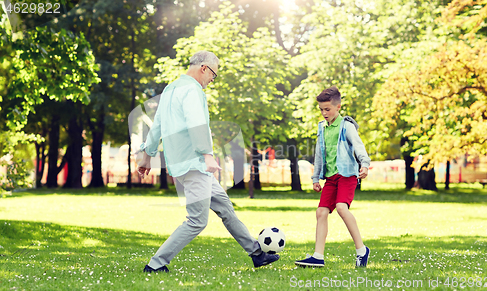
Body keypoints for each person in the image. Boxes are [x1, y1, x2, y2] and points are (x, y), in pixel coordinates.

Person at [136, 51, 279, 273]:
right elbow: (196, 123)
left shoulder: (171, 88)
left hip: (186, 163)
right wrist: (207, 154)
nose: (213, 80)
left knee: (225, 209)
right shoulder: (192, 89)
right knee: (197, 221)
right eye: (213, 74)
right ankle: (156, 264)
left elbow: (157, 126)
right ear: (204, 68)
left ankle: (256, 254)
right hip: (194, 163)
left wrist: (147, 155)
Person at [295, 86, 371, 268]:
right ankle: (318, 256)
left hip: (347, 175)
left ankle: (362, 250)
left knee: (341, 207)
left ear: (338, 107)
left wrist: (365, 164)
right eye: (321, 109)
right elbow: (320, 154)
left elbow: (359, 146)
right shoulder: (322, 128)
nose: (324, 113)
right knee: (321, 212)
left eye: (327, 109)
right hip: (331, 178)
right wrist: (315, 178)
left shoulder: (347, 126)